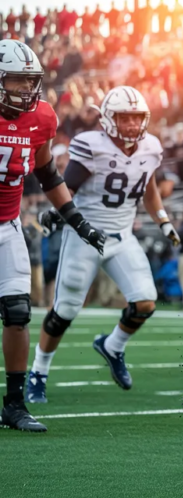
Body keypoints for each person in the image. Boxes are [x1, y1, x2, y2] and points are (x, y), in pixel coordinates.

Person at [30, 86, 180, 402]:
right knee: (65, 311)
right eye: (124, 118)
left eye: (136, 118)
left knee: (145, 303)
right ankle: (38, 372)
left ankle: (113, 346)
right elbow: (66, 186)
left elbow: (149, 188)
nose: (130, 125)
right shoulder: (91, 145)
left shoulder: (150, 146)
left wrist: (164, 222)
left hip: (122, 237)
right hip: (85, 235)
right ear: (108, 119)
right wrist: (57, 215)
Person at [0, 39, 105, 432]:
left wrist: (78, 221)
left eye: (30, 82)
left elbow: (46, 173)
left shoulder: (41, 117)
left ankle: (13, 404)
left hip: (8, 224)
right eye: (15, 81)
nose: (25, 90)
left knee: (17, 313)